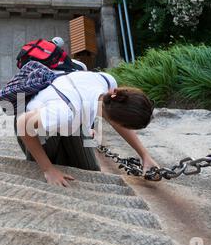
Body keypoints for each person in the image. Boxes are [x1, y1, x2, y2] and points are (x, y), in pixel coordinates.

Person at [15, 70, 159, 187]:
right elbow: (22, 123)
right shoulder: (64, 112)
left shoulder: (108, 84)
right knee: (55, 166)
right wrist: (48, 169)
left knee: (90, 170)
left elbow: (119, 118)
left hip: (69, 121)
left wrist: (145, 156)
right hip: (36, 127)